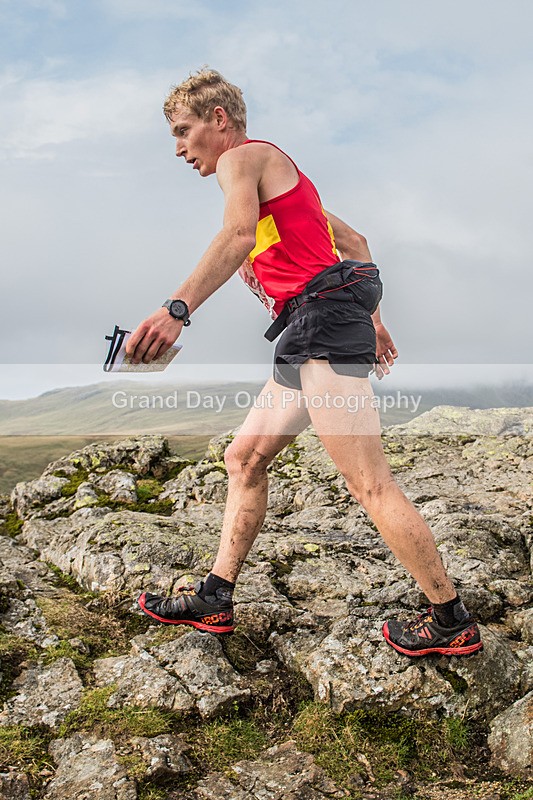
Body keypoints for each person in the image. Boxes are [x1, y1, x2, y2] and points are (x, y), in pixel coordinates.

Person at [128, 69, 482, 657]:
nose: (179, 149)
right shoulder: (290, 187)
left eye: (183, 131)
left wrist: (176, 310)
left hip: (320, 323)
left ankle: (450, 618)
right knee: (243, 458)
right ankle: (215, 596)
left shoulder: (245, 158)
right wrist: (368, 319)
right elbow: (357, 244)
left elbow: (238, 235)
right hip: (313, 323)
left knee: (368, 483)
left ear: (219, 121)